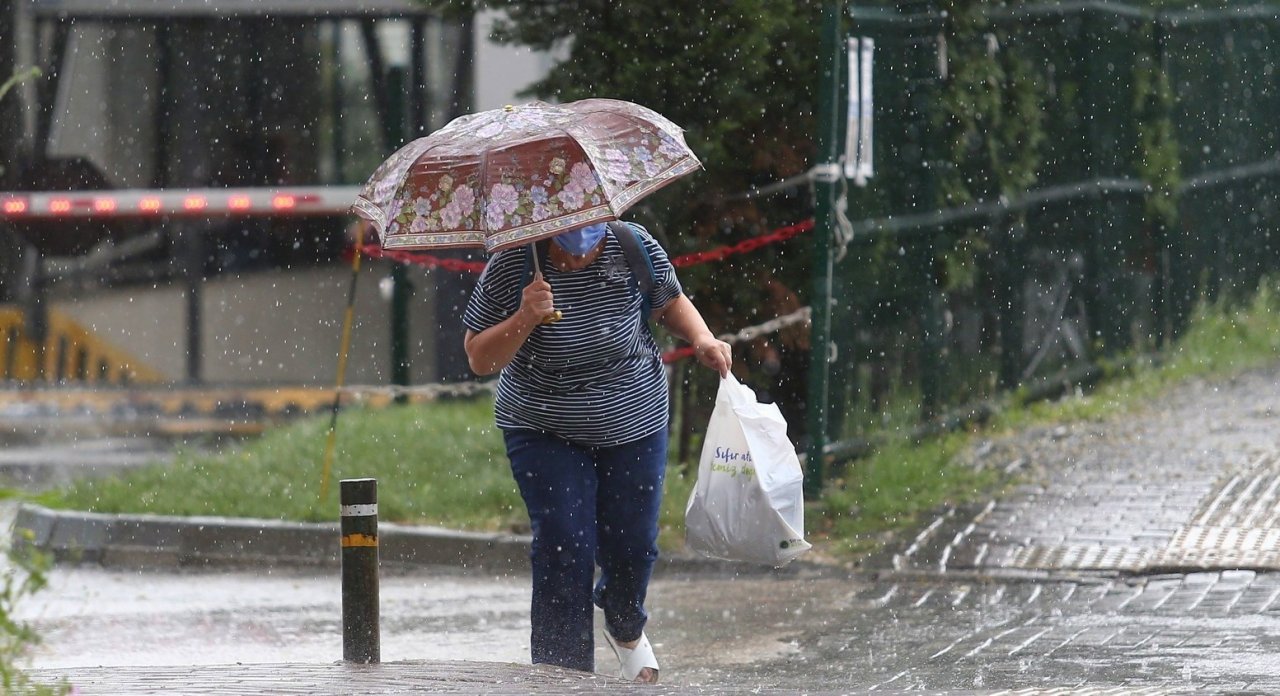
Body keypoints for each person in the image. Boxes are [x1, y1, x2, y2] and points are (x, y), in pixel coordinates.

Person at [462, 220, 731, 683]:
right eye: (571, 228)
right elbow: (479, 357)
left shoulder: (631, 244)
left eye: (592, 227)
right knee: (564, 543)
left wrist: (702, 337)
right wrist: (525, 315)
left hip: (634, 418)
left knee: (634, 545)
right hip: (543, 426)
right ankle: (562, 676)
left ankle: (625, 623)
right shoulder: (514, 261)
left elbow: (669, 301)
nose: (583, 239)